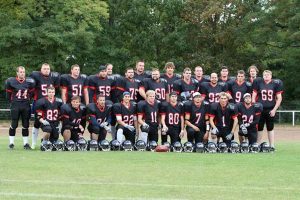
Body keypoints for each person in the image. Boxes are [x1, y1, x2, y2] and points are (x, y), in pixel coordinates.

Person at [30, 63, 60, 149]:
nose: (46, 70)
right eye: (44, 68)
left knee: (52, 126)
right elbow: (31, 88)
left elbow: (56, 89)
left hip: (50, 103)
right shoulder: (36, 75)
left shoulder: (54, 77)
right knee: (36, 123)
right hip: (39, 103)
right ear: (41, 69)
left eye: (48, 69)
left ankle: (46, 141)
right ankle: (33, 143)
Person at [5, 66, 35, 149]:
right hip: (15, 105)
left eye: (23, 72)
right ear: (17, 73)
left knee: (26, 124)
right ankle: (11, 143)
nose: (22, 73)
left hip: (26, 105)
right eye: (21, 72)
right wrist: (13, 103)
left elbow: (32, 94)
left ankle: (26, 143)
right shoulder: (11, 81)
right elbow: (8, 96)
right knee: (14, 124)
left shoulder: (30, 82)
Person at [252, 70, 283, 151]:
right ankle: (257, 145)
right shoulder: (258, 82)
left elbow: (279, 98)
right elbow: (254, 95)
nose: (266, 76)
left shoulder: (275, 84)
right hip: (260, 109)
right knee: (259, 127)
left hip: (270, 109)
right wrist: (255, 107)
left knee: (270, 127)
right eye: (265, 75)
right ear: (262, 76)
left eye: (268, 75)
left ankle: (272, 145)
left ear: (271, 76)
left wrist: (274, 109)